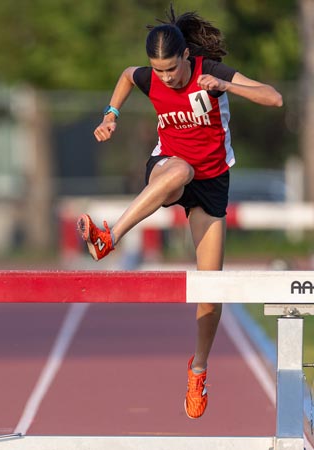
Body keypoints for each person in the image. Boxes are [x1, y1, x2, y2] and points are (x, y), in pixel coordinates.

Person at [77, 6, 283, 419]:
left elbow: (273, 97)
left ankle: (199, 370)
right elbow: (125, 76)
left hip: (211, 183)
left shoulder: (215, 73)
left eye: (172, 69)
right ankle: (109, 238)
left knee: (211, 291)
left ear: (187, 56)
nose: (166, 78)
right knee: (179, 170)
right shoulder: (149, 76)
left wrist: (225, 87)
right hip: (169, 167)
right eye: (159, 70)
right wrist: (111, 115)